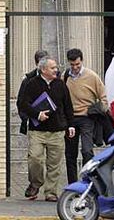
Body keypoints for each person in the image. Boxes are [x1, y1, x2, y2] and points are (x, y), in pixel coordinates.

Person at [19, 56, 75, 202]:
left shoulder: (61, 85)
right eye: (53, 68)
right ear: (43, 70)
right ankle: (35, 183)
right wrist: (37, 114)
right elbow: (22, 104)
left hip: (57, 131)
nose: (56, 70)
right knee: (35, 159)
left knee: (54, 164)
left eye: (56, 67)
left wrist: (71, 125)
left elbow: (68, 106)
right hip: (37, 131)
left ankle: (51, 192)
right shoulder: (31, 84)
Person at [64, 48, 108, 184]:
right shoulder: (65, 76)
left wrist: (101, 109)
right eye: (72, 65)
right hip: (70, 118)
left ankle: (88, 181)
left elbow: (104, 96)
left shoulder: (92, 76)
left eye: (77, 64)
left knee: (87, 150)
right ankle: (72, 184)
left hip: (86, 117)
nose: (75, 67)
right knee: (70, 153)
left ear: (81, 61)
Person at [16, 50, 48, 135]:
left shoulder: (56, 78)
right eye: (41, 66)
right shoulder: (27, 80)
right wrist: (26, 119)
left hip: (52, 123)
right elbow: (21, 102)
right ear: (36, 64)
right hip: (33, 123)